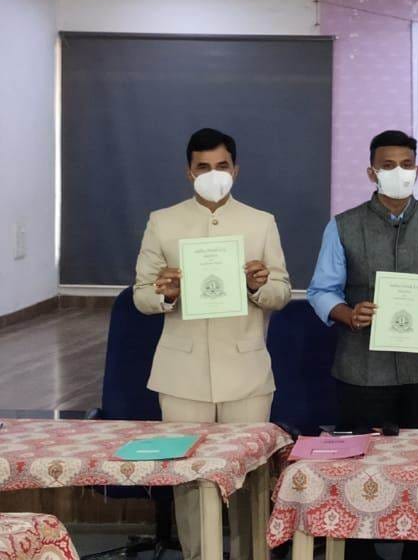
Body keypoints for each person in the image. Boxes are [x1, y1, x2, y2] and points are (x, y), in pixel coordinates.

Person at [306, 129, 418, 560]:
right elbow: (321, 290)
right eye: (387, 165)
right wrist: (347, 313)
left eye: (405, 164)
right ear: (372, 172)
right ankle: (359, 552)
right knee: (360, 469)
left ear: (417, 170)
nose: (398, 172)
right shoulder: (343, 225)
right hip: (362, 369)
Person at [133, 127, 291, 560]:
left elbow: (281, 292)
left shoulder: (261, 222)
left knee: (250, 480)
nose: (213, 174)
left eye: (222, 166)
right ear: (189, 172)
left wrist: (259, 286)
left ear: (236, 170)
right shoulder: (162, 221)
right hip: (181, 375)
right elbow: (141, 295)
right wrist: (165, 293)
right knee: (190, 481)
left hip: (246, 373)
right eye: (203, 167)